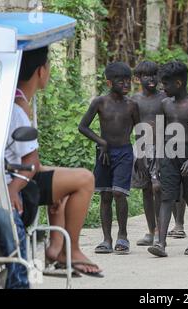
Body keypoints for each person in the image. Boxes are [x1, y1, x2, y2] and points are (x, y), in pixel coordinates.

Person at [13, 46, 102, 278]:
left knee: (65, 182)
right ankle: (70, 250)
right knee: (84, 178)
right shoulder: (19, 107)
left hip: (17, 172)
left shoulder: (18, 100)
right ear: (41, 71)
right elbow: (31, 162)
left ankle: (54, 248)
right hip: (17, 179)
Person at [79, 62, 145, 255]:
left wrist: (140, 156)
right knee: (105, 195)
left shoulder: (132, 105)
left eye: (128, 80)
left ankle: (122, 235)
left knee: (119, 193)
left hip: (124, 152)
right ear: (109, 82)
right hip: (104, 154)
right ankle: (106, 239)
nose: (126, 84)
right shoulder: (100, 102)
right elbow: (83, 126)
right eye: (120, 80)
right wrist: (102, 142)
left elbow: (140, 131)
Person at [147, 61, 188, 257]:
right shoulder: (165, 104)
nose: (162, 88)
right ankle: (161, 243)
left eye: (166, 84)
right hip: (168, 157)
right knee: (166, 198)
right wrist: (156, 159)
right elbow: (159, 132)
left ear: (179, 83)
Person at [130, 61, 166, 246]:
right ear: (137, 78)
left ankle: (161, 229)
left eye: (154, 75)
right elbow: (129, 125)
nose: (150, 79)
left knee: (157, 187)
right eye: (145, 76)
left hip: (162, 147)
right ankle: (151, 230)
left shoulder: (165, 98)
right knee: (146, 189)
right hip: (141, 148)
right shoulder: (134, 100)